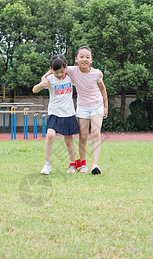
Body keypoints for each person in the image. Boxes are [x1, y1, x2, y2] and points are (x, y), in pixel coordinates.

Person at [33, 55, 79, 175]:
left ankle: (72, 165)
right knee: (50, 135)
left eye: (62, 71)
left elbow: (80, 71)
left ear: (66, 68)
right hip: (54, 112)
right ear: (51, 69)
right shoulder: (49, 80)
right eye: (56, 72)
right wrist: (42, 84)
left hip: (68, 113)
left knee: (69, 141)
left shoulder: (70, 78)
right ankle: (47, 164)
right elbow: (34, 90)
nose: (59, 74)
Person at [66, 46, 108, 175]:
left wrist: (105, 106)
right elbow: (56, 68)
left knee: (96, 133)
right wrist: (45, 78)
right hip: (82, 107)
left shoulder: (96, 73)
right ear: (76, 59)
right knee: (82, 137)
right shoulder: (72, 70)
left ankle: (95, 165)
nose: (84, 59)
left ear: (91, 60)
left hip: (96, 105)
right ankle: (83, 164)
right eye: (82, 57)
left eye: (87, 57)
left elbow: (102, 89)